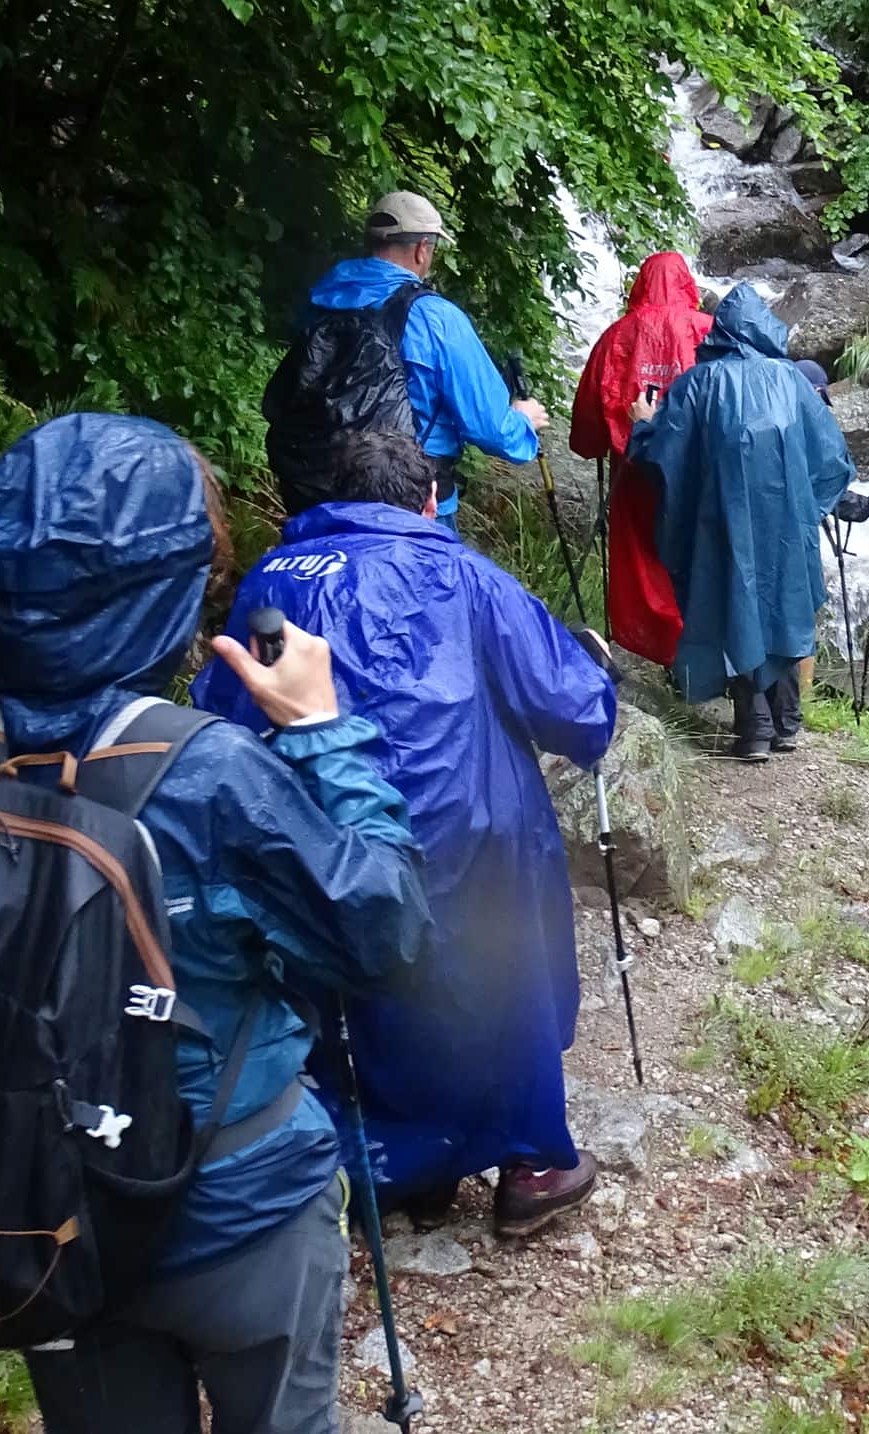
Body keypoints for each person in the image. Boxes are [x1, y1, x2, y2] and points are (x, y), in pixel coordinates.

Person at [0, 413, 429, 1434]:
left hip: (37, 1201)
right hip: (237, 1203)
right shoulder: (213, 771)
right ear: (169, 592)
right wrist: (321, 730)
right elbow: (384, 931)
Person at [187, 433, 619, 1238]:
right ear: (428, 502)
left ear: (328, 500)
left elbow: (223, 707)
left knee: (349, 988)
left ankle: (394, 1166)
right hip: (467, 821)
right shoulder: (466, 575)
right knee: (500, 975)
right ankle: (531, 1165)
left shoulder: (272, 580)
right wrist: (601, 691)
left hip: (316, 823)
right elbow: (571, 706)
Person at [626, 285, 869, 758]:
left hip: (721, 524)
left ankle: (755, 731)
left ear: (721, 332)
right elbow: (830, 459)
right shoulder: (792, 382)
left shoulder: (698, 383)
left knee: (736, 607)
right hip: (787, 528)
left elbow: (661, 457)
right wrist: (812, 507)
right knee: (782, 611)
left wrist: (643, 423)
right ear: (765, 328)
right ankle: (786, 724)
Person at [265, 190, 545, 517]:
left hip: (316, 493)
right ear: (422, 249)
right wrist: (523, 421)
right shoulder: (436, 318)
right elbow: (490, 429)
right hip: (408, 502)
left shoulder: (322, 297)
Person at [568, 251, 714, 667]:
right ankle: (697, 651)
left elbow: (589, 414)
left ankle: (649, 647)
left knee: (642, 561)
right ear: (687, 284)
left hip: (633, 474)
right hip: (697, 473)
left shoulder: (617, 335)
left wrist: (593, 443)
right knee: (697, 553)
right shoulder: (708, 330)